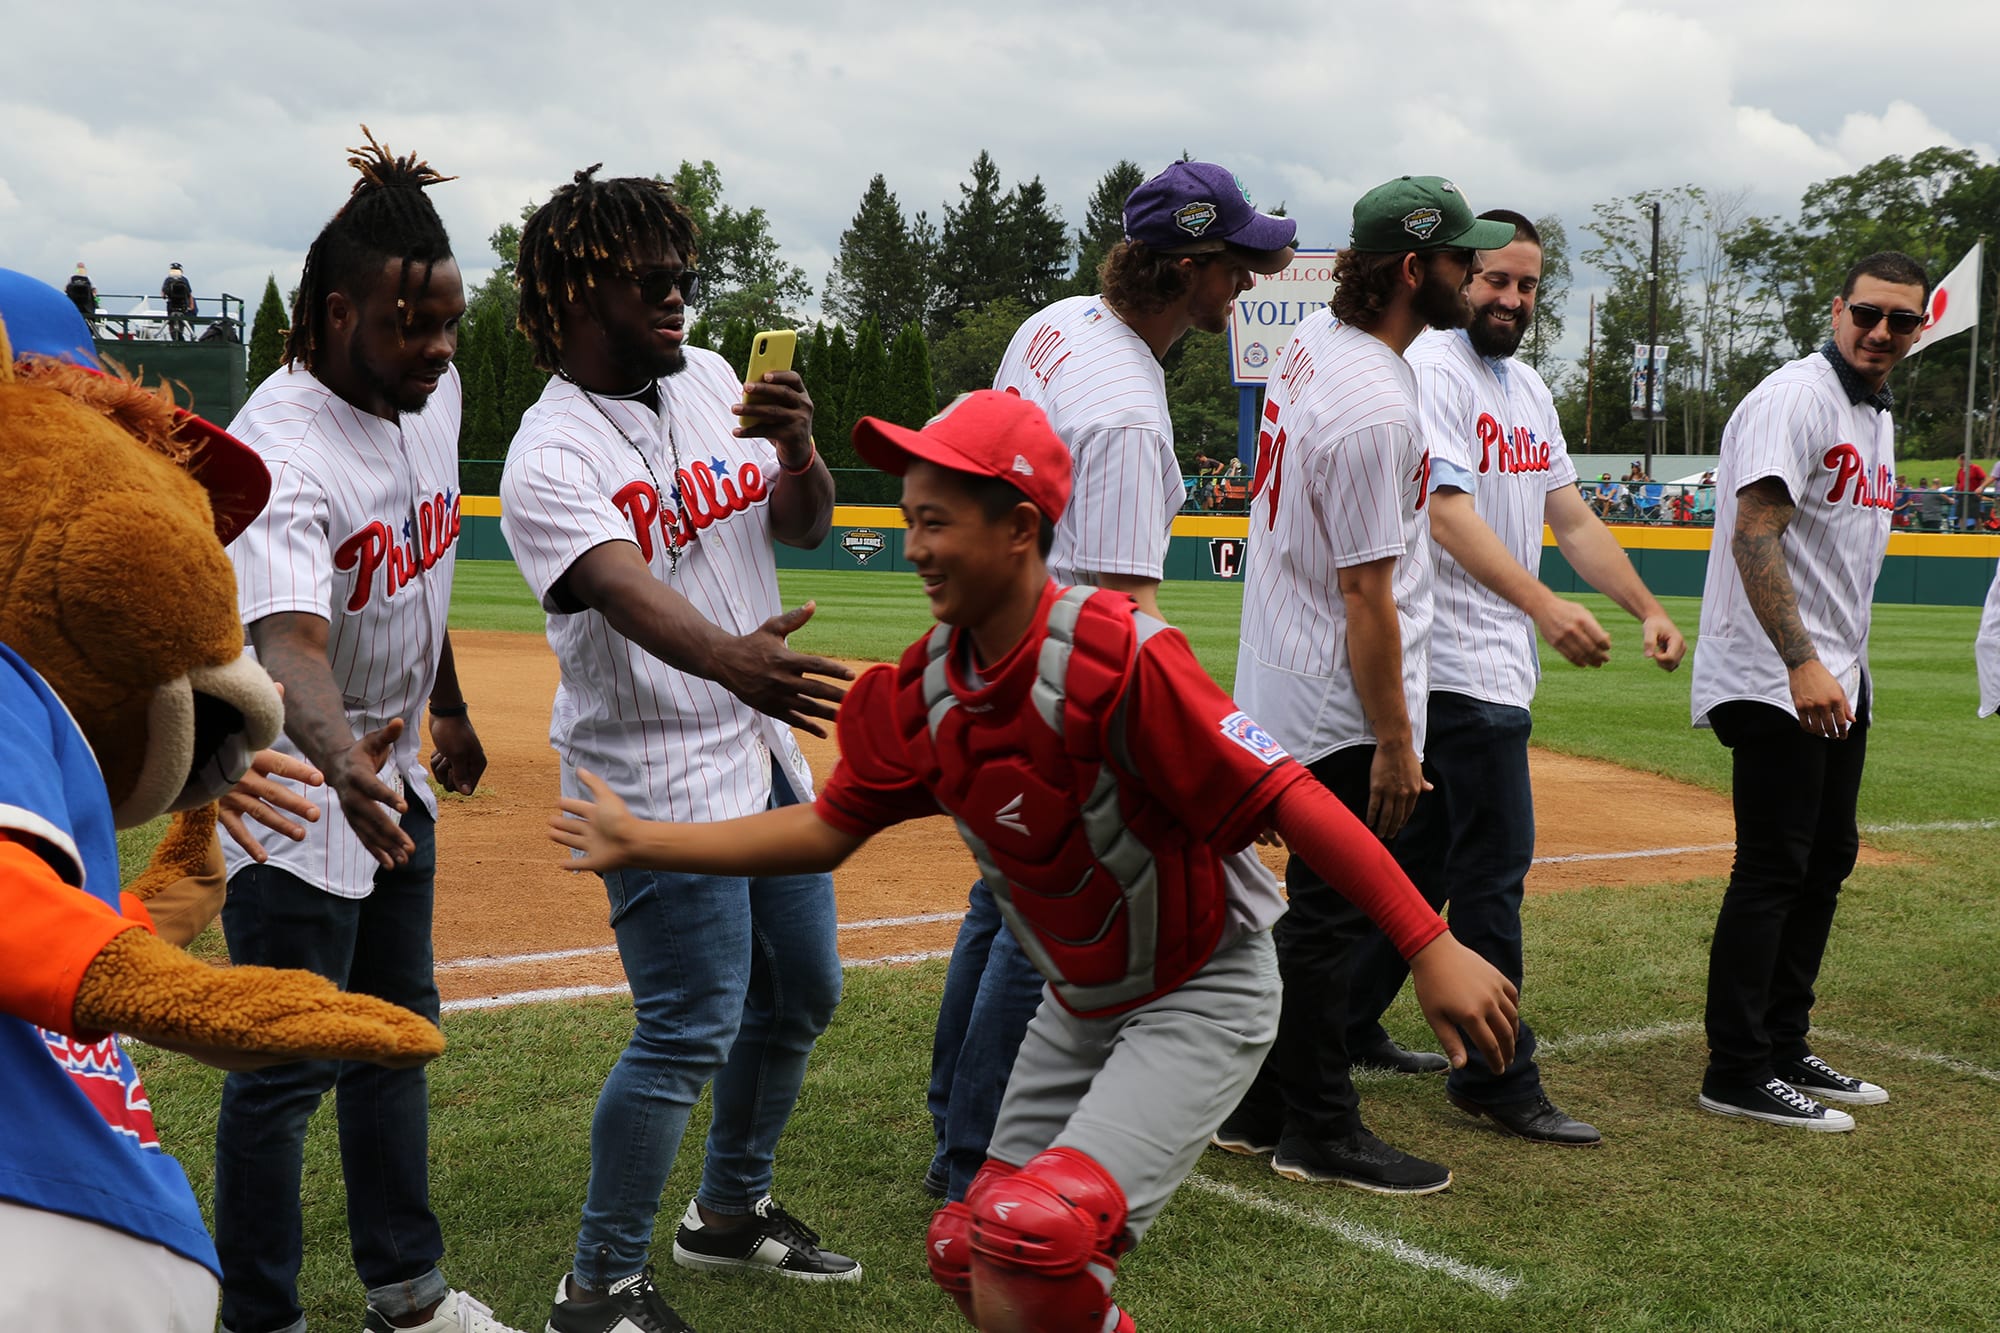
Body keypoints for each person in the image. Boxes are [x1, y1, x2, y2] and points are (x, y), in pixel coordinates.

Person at [548, 388, 1521, 1333]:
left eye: (935, 521)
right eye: (907, 520)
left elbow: (1289, 796)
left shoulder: (1116, 657)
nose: (914, 545)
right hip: (1079, 1004)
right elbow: (824, 831)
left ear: (1018, 527)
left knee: (1032, 1237)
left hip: (1201, 988)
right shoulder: (919, 696)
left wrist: (1427, 943)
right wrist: (645, 841)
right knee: (970, 1251)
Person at [500, 166, 857, 1333]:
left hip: (756, 752)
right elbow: (618, 587)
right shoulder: (548, 454)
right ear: (570, 295)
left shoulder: (710, 380)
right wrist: (728, 657)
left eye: (683, 281)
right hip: (650, 771)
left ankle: (727, 1212)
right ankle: (597, 1283)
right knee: (688, 1022)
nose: (678, 303)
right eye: (649, 283)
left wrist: (799, 450)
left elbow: (799, 527)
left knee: (798, 991)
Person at [912, 159, 1298, 1209]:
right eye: (1232, 266)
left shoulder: (1059, 321)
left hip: (990, 657)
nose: (1245, 286)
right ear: (1184, 268)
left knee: (999, 908)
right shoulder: (1126, 407)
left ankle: (955, 1129)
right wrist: (1215, 753)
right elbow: (1128, 613)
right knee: (1049, 931)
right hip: (1057, 683)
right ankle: (973, 1162)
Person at [214, 130, 515, 1333]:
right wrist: (342, 761)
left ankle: (408, 1290)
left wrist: (445, 708)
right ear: (338, 313)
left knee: (396, 1036)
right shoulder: (277, 449)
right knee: (284, 1069)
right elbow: (289, 641)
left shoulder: (418, 400)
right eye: (414, 329)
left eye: (450, 326)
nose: (440, 353)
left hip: (392, 779)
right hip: (295, 786)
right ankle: (261, 1317)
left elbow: (416, 576)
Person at [1339, 209, 1688, 1149]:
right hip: (1452, 662)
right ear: (1457, 278)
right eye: (1495, 279)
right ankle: (1496, 1075)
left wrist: (1644, 606)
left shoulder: (1526, 387)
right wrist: (1543, 605)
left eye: (1529, 285)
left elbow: (1570, 517)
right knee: (1493, 873)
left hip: (1497, 667)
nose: (1511, 299)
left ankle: (1339, 1021)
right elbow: (1446, 511)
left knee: (1418, 861)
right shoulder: (1431, 373)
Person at [1221, 175, 1512, 1195]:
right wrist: (1394, 738)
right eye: (1456, 261)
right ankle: (1319, 1127)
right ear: (1407, 269)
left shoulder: (1318, 343)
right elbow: (1363, 594)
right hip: (1338, 701)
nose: (1472, 276)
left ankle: (1258, 1107)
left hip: (1290, 671)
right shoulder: (1374, 401)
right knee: (1331, 920)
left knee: (1318, 914)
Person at [1690, 250, 1929, 1131]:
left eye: (1900, 320)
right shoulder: (1796, 397)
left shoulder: (1877, 412)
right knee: (1774, 865)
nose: (1880, 332)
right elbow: (1756, 534)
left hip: (1835, 674)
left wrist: (1838, 668)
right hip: (1773, 670)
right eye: (1867, 313)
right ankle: (1737, 1067)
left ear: (1920, 326)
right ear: (1837, 310)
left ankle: (1783, 1041)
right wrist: (1800, 661)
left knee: (1827, 855)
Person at [162, 262, 195, 340]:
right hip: (181, 305)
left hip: (174, 305)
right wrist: (191, 305)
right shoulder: (183, 280)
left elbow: (163, 293)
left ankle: (178, 339)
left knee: (175, 324)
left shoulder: (168, 280)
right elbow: (190, 294)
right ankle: (179, 339)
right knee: (179, 323)